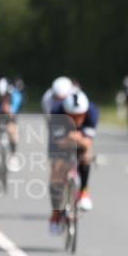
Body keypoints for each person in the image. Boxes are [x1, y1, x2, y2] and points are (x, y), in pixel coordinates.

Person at [47, 90, 98, 234]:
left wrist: (79, 139)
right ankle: (55, 214)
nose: (77, 120)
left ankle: (83, 191)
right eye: (73, 116)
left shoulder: (92, 112)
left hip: (79, 138)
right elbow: (59, 142)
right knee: (57, 172)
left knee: (86, 153)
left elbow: (87, 142)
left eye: (80, 116)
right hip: (61, 138)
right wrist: (70, 138)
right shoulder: (57, 111)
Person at [0, 77, 23, 169]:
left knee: (12, 130)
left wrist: (11, 110)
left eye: (5, 95)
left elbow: (15, 106)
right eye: (1, 96)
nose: (3, 97)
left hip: (9, 109)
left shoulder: (15, 94)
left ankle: (13, 156)